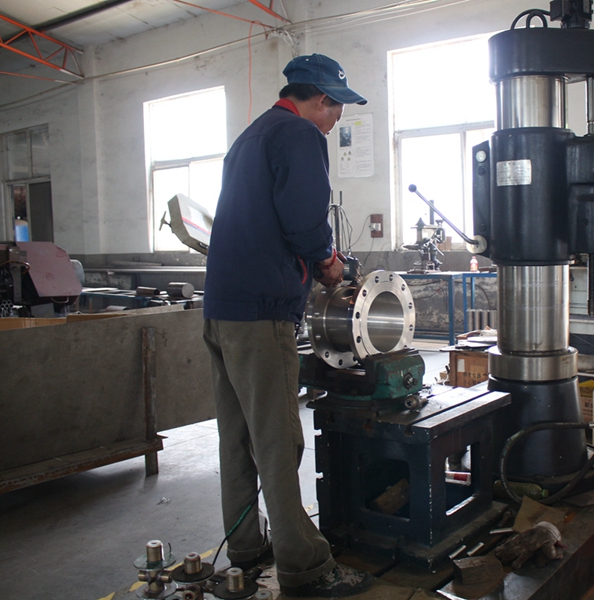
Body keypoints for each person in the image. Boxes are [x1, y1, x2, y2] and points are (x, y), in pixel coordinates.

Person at [202, 54, 373, 598]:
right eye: (337, 109)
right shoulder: (299, 135)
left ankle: (246, 546)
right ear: (321, 99)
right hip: (261, 312)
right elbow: (303, 220)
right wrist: (329, 263)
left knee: (237, 436)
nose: (337, 121)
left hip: (221, 309)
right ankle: (305, 565)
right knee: (278, 441)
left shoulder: (250, 136)